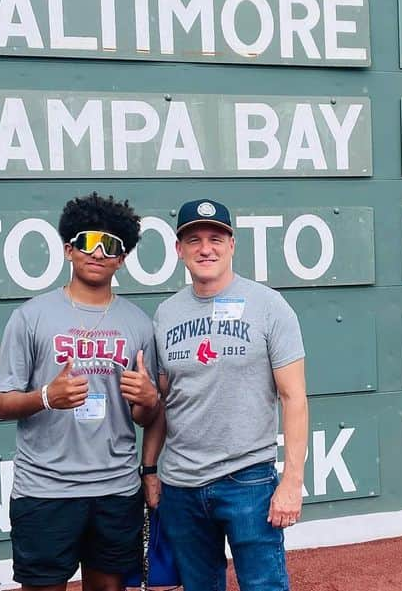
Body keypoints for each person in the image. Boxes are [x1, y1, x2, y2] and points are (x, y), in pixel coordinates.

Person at [0, 193, 161, 591]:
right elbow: (0, 402)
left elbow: (143, 416)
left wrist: (149, 401)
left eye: (110, 245)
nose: (97, 252)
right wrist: (46, 396)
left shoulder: (138, 324)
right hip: (45, 489)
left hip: (116, 490)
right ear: (68, 249)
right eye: (87, 241)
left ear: (121, 258)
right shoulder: (30, 317)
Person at [142, 198, 309, 591]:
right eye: (194, 239)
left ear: (232, 244)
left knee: (264, 586)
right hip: (181, 484)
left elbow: (294, 397)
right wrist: (150, 470)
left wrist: (291, 482)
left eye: (216, 238)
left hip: (247, 480)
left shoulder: (269, 306)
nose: (206, 248)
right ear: (178, 249)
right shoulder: (166, 314)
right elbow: (165, 403)